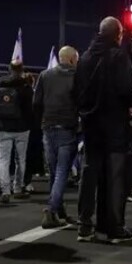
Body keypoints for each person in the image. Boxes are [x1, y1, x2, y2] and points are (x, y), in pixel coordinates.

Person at [74, 17, 132, 243]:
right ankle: (113, 227)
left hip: (91, 125)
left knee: (89, 174)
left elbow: (77, 91)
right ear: (117, 34)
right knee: (114, 178)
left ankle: (84, 224)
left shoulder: (85, 57)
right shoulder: (119, 56)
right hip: (114, 127)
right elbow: (127, 90)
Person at [34, 45, 79, 228]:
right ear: (70, 59)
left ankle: (59, 211)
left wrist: (42, 122)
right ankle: (52, 209)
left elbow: (36, 103)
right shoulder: (77, 77)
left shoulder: (45, 75)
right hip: (67, 128)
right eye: (76, 59)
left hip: (48, 127)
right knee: (61, 172)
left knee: (54, 171)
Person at [0, 60, 34, 203]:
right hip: (22, 127)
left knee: (3, 160)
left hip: (3, 126)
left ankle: (5, 191)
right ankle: (18, 188)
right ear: (21, 69)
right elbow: (31, 108)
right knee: (20, 160)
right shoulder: (25, 85)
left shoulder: (0, 83)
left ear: (9, 68)